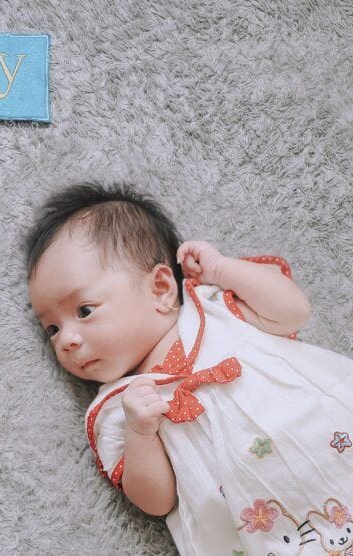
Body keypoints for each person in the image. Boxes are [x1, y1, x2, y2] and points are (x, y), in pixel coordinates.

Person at [26, 183, 353, 555]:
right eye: (51, 328)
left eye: (83, 310)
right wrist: (141, 433)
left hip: (330, 446)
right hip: (260, 534)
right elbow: (157, 501)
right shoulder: (119, 408)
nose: (66, 339)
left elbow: (293, 311)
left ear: (162, 287)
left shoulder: (214, 308)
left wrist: (221, 269)